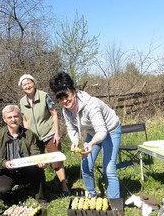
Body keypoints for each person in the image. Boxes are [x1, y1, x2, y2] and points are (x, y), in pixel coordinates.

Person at [49, 71, 122, 199]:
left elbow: (102, 131)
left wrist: (91, 143)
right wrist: (75, 141)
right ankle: (91, 197)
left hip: (110, 130)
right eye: (61, 99)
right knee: (86, 166)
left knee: (109, 169)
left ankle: (115, 205)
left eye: (66, 96)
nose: (65, 101)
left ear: (73, 90)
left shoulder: (91, 104)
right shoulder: (66, 109)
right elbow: (71, 128)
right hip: (93, 132)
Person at [18, 74, 70, 197]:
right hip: (34, 137)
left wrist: (57, 133)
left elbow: (54, 114)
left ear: (34, 83)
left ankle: (64, 187)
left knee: (56, 162)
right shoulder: (22, 102)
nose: (27, 86)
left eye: (29, 83)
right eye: (24, 84)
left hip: (49, 133)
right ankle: (41, 189)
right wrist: (26, 136)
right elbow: (25, 120)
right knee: (37, 162)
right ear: (22, 87)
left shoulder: (44, 96)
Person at [0, 105, 47, 202]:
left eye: (15, 116)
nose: (13, 120)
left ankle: (41, 198)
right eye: (9, 117)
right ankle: (13, 197)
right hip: (6, 171)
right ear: (4, 119)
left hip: (26, 169)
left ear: (20, 117)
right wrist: (4, 163)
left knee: (38, 171)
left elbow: (35, 152)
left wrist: (39, 161)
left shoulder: (29, 134)